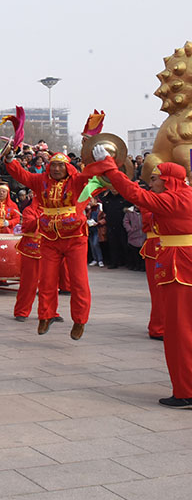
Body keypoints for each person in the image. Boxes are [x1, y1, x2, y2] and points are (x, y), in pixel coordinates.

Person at [86, 155, 192, 408]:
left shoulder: (173, 199)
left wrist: (111, 168)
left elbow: (135, 193)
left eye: (155, 179)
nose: (151, 183)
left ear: (168, 181)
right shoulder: (184, 195)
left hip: (179, 262)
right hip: (182, 258)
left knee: (179, 331)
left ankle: (186, 390)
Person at [5, 151, 92, 339]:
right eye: (53, 165)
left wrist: (100, 158)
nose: (57, 169)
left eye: (61, 165)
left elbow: (92, 175)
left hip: (75, 237)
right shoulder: (41, 181)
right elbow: (22, 175)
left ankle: (79, 320)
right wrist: (10, 160)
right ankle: (46, 315)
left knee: (78, 281)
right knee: (46, 280)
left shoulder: (76, 181)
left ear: (68, 167)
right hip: (49, 238)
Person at [140, 208, 164, 340]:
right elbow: (149, 218)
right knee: (159, 291)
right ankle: (158, 327)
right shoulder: (151, 197)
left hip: (180, 249)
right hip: (157, 247)